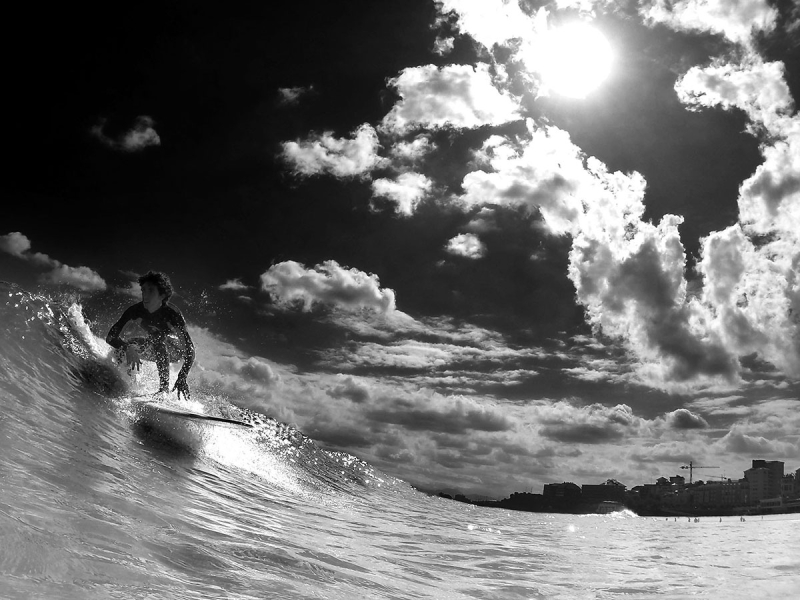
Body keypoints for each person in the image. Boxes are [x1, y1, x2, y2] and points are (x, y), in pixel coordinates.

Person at [106, 271, 195, 399]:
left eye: (151, 291)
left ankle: (163, 390)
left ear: (162, 295)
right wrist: (128, 348)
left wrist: (182, 376)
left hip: (175, 350)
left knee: (157, 338)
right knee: (127, 345)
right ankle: (125, 382)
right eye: (143, 290)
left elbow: (189, 350)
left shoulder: (172, 314)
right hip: (153, 346)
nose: (145, 295)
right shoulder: (135, 311)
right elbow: (111, 337)